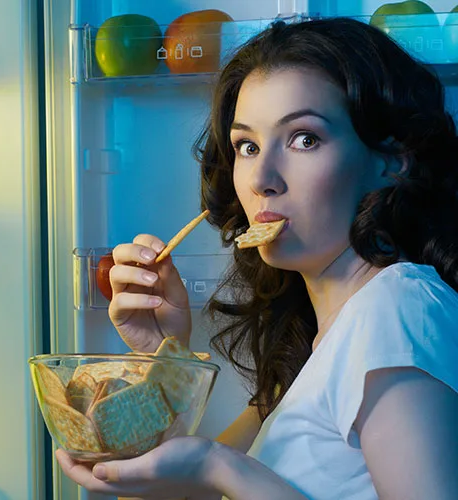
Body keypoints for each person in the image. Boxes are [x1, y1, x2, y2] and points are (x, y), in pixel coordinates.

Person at [55, 17, 458, 500]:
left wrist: (215, 465)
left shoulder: (398, 305)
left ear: (391, 162)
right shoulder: (316, 343)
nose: (261, 176)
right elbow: (174, 490)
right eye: (247, 145)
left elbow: (212, 475)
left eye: (304, 138)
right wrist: (168, 356)